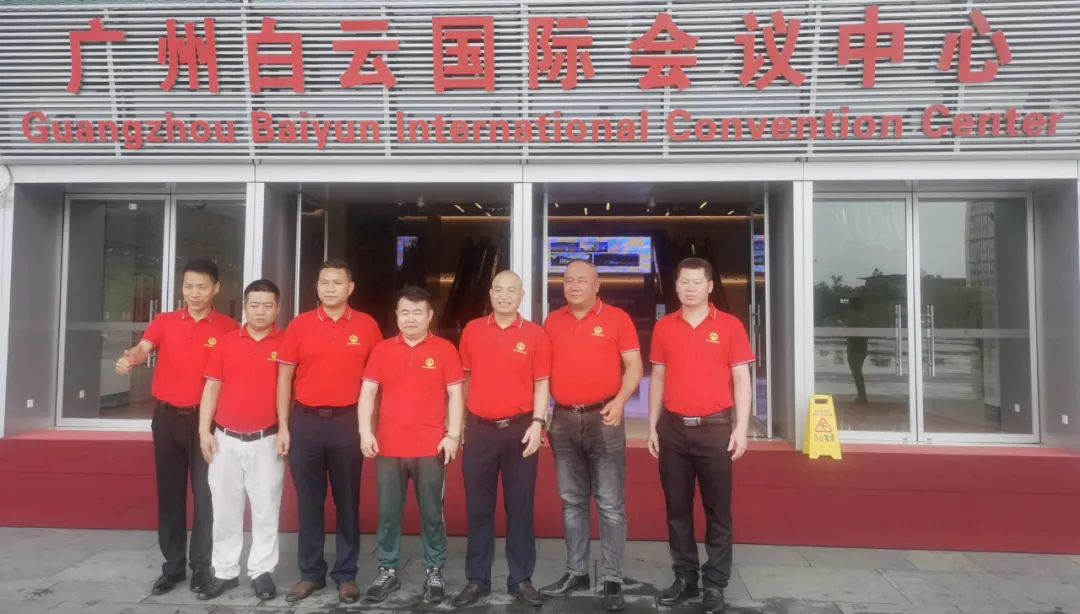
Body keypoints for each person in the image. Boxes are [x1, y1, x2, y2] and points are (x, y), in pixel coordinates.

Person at [115, 259, 238, 595]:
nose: (194, 294)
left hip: (206, 422)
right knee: (169, 494)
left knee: (206, 495)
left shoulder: (228, 327)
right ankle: (172, 567)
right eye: (188, 287)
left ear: (216, 288)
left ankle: (202, 566)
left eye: (201, 287)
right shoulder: (165, 321)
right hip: (167, 419)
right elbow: (143, 348)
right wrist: (129, 359)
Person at [646, 258, 754, 614]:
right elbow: (658, 377)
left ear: (709, 287)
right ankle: (685, 578)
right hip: (673, 430)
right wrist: (652, 425)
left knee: (717, 511)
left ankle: (715, 584)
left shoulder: (730, 326)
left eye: (696, 282)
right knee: (677, 509)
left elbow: (741, 379)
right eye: (684, 282)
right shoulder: (665, 327)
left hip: (715, 430)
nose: (689, 288)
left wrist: (740, 428)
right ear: (676, 286)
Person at [275, 260, 382, 604]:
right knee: (309, 501)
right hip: (305, 421)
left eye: (337, 282)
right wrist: (283, 426)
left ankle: (346, 575)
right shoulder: (300, 325)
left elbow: (377, 380)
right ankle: (310, 573)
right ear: (317, 286)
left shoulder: (366, 326)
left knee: (348, 501)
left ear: (350, 288)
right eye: (324, 282)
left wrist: (371, 426)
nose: (330, 288)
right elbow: (284, 378)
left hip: (347, 422)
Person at [540, 259, 643, 611]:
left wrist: (620, 401)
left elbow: (634, 366)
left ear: (597, 285)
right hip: (563, 419)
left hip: (604, 419)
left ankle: (613, 578)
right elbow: (540, 372)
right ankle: (576, 572)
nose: (574, 286)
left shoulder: (617, 319)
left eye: (582, 280)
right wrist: (540, 416)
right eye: (568, 280)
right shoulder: (553, 321)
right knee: (572, 501)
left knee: (611, 503)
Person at [358, 286, 465, 605]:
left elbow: (456, 395)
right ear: (396, 315)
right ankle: (387, 569)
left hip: (431, 447)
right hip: (389, 446)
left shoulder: (445, 350)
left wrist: (453, 435)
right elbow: (368, 393)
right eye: (404, 312)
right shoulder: (382, 350)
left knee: (432, 513)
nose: (411, 318)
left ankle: (434, 570)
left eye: (418, 312)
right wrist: (365, 432)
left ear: (430, 316)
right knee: (389, 512)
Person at [452, 271, 551, 608]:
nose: (504, 295)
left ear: (521, 295)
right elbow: (465, 380)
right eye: (498, 289)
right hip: (480, 430)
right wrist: (460, 424)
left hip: (520, 429)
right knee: (478, 508)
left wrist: (538, 423)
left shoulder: (535, 334)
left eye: (512, 290)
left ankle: (521, 579)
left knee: (520, 507)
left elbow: (542, 383)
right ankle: (477, 580)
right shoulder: (473, 330)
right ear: (490, 293)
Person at [195, 279, 286, 601]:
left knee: (266, 508)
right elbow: (211, 388)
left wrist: (285, 430)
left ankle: (262, 571)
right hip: (226, 439)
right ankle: (224, 571)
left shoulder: (287, 344)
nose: (260, 311)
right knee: (225, 508)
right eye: (254, 305)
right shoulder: (226, 343)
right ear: (244, 307)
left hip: (267, 439)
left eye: (267, 305)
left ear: (277, 308)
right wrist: (204, 431)